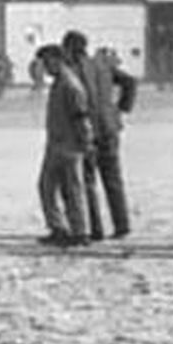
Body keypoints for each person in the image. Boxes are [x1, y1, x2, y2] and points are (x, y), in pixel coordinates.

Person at [62, 30, 137, 240]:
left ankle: (96, 229)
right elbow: (130, 82)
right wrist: (121, 108)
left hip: (89, 130)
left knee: (88, 182)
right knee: (113, 179)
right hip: (110, 127)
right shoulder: (103, 65)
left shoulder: (71, 72)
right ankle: (122, 225)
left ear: (69, 49)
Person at [35, 44, 94, 248]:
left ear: (58, 60)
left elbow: (81, 117)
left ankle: (80, 232)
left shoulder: (70, 85)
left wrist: (86, 144)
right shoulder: (59, 83)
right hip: (55, 145)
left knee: (72, 190)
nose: (45, 67)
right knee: (46, 187)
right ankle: (58, 228)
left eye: (47, 62)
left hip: (69, 147)